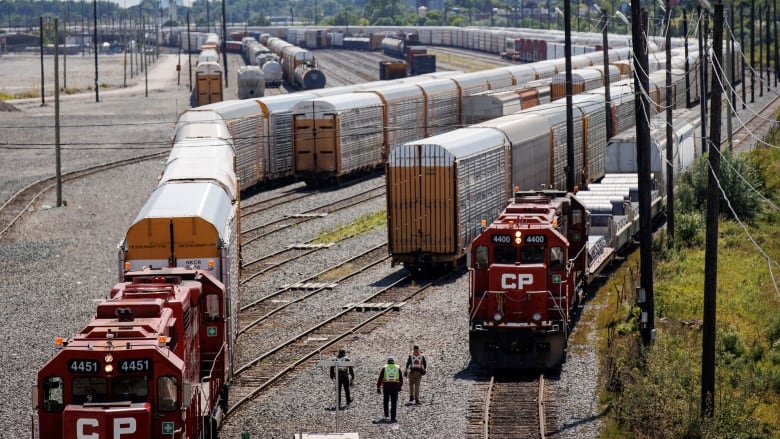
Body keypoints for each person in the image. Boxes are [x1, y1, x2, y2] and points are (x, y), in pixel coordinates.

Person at [376, 355, 403, 422]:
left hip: (386, 387)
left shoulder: (384, 367)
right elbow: (401, 379)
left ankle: (386, 414)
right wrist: (399, 386)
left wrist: (378, 387)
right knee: (394, 402)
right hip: (394, 388)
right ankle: (393, 418)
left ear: (388, 361)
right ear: (393, 361)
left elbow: (380, 378)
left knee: (386, 401)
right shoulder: (397, 367)